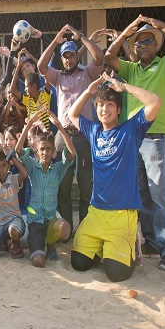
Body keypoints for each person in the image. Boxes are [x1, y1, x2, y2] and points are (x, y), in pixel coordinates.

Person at [105, 15, 165, 273]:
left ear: (156, 46)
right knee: (141, 193)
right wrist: (127, 32)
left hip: (155, 137)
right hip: (133, 138)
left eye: (147, 41)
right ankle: (152, 241)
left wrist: (158, 25)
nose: (142, 45)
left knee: (159, 193)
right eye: (138, 42)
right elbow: (109, 58)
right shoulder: (131, 69)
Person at [68, 73, 162, 282]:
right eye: (100, 104)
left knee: (116, 275)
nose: (104, 109)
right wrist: (89, 91)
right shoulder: (93, 132)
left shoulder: (131, 130)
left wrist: (125, 88)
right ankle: (105, 246)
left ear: (118, 109)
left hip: (122, 215)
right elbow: (72, 114)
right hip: (96, 213)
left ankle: (131, 242)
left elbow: (155, 101)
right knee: (78, 264)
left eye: (110, 104)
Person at [38, 25, 107, 234]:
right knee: (63, 188)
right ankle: (66, 231)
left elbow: (99, 57)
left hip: (85, 136)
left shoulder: (88, 73)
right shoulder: (58, 77)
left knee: (86, 187)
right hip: (63, 136)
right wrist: (55, 41)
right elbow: (41, 66)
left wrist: (82, 37)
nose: (68, 59)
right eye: (65, 56)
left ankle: (84, 232)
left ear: (77, 56)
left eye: (71, 55)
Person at [15, 108, 75, 268]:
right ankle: (41, 244)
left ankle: (50, 242)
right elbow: (18, 150)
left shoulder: (58, 170)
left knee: (65, 228)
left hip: (51, 219)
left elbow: (72, 153)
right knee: (38, 262)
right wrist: (29, 124)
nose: (45, 152)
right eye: (42, 149)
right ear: (37, 150)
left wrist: (59, 126)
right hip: (35, 221)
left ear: (53, 151)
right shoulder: (33, 167)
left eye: (49, 149)